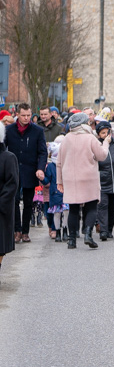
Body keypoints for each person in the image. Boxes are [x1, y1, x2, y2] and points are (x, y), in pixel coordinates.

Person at [57, 112, 109, 249]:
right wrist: (106, 144)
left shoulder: (66, 138)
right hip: (88, 176)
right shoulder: (90, 138)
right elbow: (102, 155)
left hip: (70, 178)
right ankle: (88, 234)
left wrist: (59, 181)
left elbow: (59, 162)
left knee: (73, 209)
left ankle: (71, 240)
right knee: (91, 206)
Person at [4, 103, 47, 244]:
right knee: (14, 201)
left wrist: (40, 168)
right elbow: (3, 150)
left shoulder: (37, 131)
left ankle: (25, 231)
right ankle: (16, 230)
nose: (27, 118)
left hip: (30, 170)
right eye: (23, 115)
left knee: (29, 202)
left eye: (29, 115)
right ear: (17, 114)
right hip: (13, 171)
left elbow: (42, 152)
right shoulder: (8, 130)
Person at [0, 124, 19, 279]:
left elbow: (12, 183)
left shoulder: (8, 157)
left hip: (2, 209)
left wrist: (2, 203)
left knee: (0, 247)